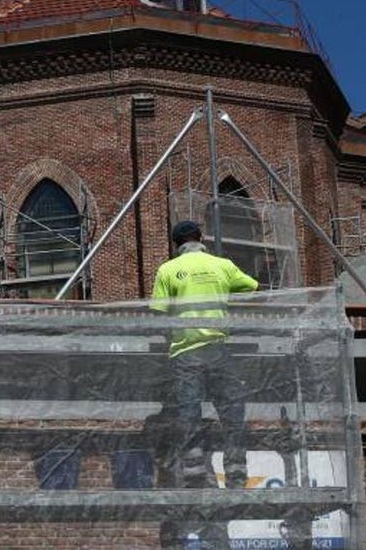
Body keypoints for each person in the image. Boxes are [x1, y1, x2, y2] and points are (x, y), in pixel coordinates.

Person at [150, 219, 258, 549]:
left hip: (185, 353)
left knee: (188, 413)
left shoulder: (168, 270)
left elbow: (157, 311)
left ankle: (195, 471)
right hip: (218, 350)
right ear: (201, 238)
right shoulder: (221, 265)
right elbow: (252, 287)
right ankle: (236, 469)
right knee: (232, 409)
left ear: (176, 244)